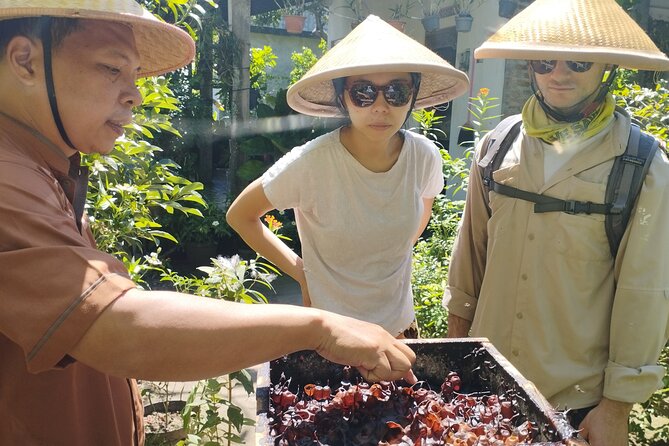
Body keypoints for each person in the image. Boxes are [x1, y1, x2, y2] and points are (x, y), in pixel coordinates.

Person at [0, 1, 420, 444]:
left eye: (135, 74)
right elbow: (114, 327)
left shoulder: (45, 166)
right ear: (25, 60)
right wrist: (319, 327)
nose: (135, 94)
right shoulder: (8, 178)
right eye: (111, 69)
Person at [443, 0, 669, 445]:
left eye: (579, 60)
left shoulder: (641, 165)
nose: (558, 73)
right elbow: (470, 256)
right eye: (545, 60)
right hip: (484, 384)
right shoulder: (498, 143)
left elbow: (644, 294)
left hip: (573, 400)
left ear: (606, 66)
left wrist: (616, 407)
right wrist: (453, 355)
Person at [226, 15, 469, 339]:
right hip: (333, 336)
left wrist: (389, 251)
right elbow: (241, 215)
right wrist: (302, 274)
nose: (381, 107)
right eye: (364, 92)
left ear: (412, 96)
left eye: (396, 91)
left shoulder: (423, 157)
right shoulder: (312, 163)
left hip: (400, 329)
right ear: (343, 97)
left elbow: (424, 207)